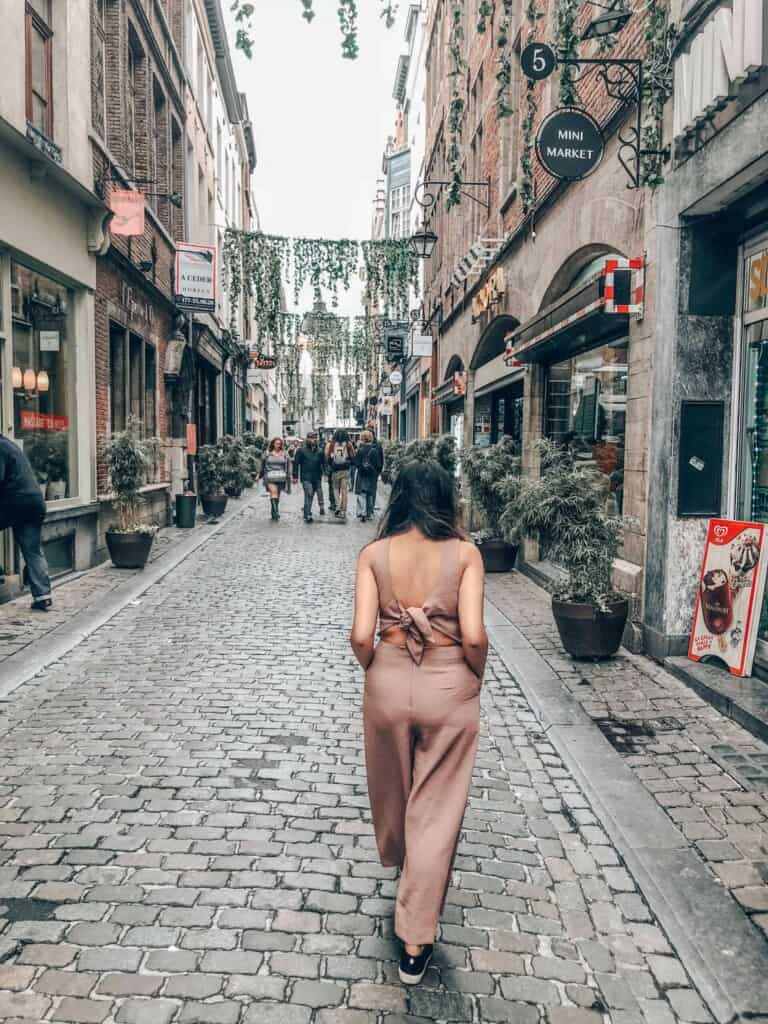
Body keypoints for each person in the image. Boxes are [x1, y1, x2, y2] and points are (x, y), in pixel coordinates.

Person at [350, 461, 487, 985]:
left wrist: (380, 668)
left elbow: (361, 635)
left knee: (393, 791)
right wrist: (472, 676)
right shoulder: (466, 554)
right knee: (436, 807)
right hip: (449, 682)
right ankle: (414, 940)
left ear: (398, 496)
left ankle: (403, 865)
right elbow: (473, 636)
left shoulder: (373, 555)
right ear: (445, 498)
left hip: (387, 679)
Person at [0, 433, 53, 611]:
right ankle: (43, 596)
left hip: (16, 502)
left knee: (32, 549)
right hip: (34, 503)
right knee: (32, 551)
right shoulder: (10, 445)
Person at [293, 432, 326, 523]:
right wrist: (295, 476)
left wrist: (326, 473)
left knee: (311, 495)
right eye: (311, 438)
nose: (314, 440)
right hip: (306, 476)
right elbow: (296, 464)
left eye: (315, 438)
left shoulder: (320, 451)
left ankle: (307, 512)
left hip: (317, 477)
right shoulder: (301, 450)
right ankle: (307, 515)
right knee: (309, 493)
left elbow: (324, 463)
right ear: (307, 439)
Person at [325, 429, 355, 522]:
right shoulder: (349, 444)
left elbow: (328, 456)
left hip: (335, 470)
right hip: (345, 470)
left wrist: (331, 465)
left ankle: (337, 506)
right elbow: (353, 456)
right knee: (344, 491)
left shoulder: (332, 444)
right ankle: (343, 510)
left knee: (335, 489)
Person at [353, 430, 383, 523]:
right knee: (370, 494)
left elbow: (356, 463)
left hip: (362, 475)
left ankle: (363, 513)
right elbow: (378, 464)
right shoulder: (374, 451)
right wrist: (376, 472)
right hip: (372, 476)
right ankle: (369, 514)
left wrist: (362, 467)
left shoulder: (360, 450)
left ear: (362, 439)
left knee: (362, 494)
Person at [260, 437, 290, 520]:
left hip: (281, 477)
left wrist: (288, 476)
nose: (278, 445)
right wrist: (259, 474)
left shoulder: (285, 454)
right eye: (277, 443)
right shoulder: (267, 453)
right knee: (273, 492)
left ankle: (273, 512)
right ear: (273, 444)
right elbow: (262, 465)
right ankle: (276, 512)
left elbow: (288, 465)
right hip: (270, 476)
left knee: (277, 495)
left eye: (280, 444)